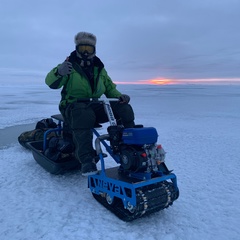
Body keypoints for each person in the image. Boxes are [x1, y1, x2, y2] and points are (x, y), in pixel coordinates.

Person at [45, 32, 135, 176]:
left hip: (94, 105)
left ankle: (131, 148)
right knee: (83, 114)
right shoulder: (68, 65)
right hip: (72, 106)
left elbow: (110, 88)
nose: (86, 52)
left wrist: (120, 97)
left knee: (124, 109)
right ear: (77, 48)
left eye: (89, 48)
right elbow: (51, 83)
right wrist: (59, 73)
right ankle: (87, 160)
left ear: (94, 50)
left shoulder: (99, 68)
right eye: (82, 48)